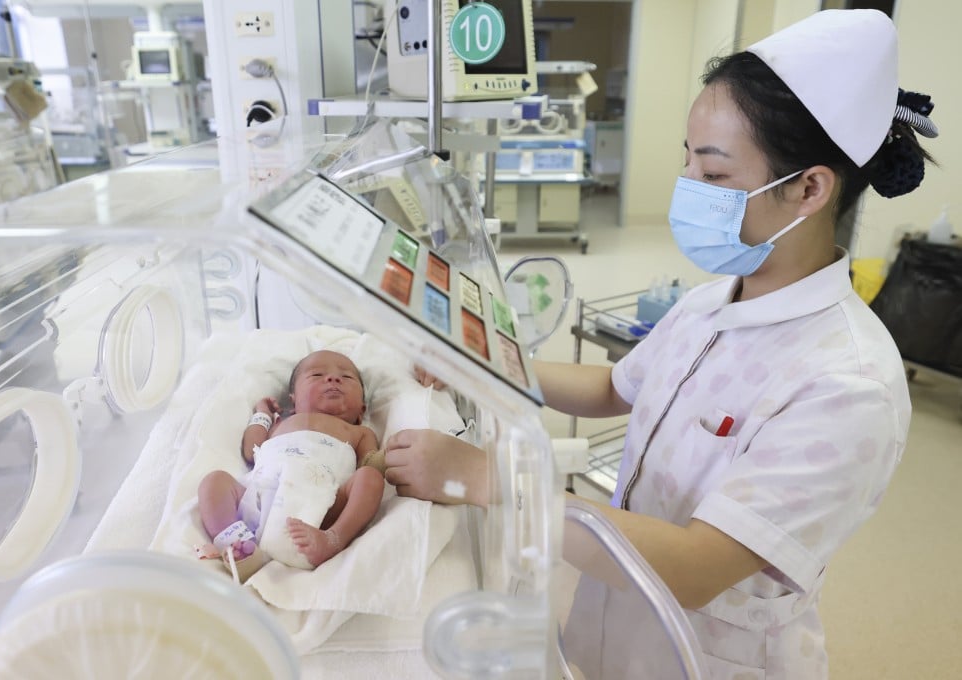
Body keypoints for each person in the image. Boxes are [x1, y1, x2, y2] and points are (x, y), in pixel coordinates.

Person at [384, 10, 938, 678]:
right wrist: (484, 361)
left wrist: (485, 478)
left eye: (714, 174)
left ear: (808, 189)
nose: (686, 190)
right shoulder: (714, 300)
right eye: (687, 160)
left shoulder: (847, 384)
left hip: (707, 655)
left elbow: (697, 567)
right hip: (615, 610)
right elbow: (611, 389)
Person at [197, 350, 385, 580]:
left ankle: (332, 539)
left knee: (370, 479)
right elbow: (251, 449)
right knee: (214, 482)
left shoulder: (359, 431)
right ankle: (236, 543)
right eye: (317, 375)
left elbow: (371, 464)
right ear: (293, 400)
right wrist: (262, 414)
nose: (333, 379)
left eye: (346, 377)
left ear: (361, 410)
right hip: (261, 496)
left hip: (323, 502)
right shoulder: (281, 424)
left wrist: (385, 458)